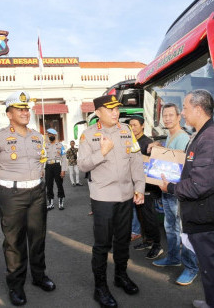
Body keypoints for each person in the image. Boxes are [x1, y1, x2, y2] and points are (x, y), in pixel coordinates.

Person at [0, 91, 56, 306]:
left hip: (37, 193)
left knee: (38, 237)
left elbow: (40, 161)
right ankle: (16, 285)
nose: (25, 112)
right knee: (14, 242)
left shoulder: (37, 136)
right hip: (12, 195)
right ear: (9, 113)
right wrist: (6, 181)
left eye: (27, 109)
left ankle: (39, 276)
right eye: (20, 109)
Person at [160, 90, 214, 308]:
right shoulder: (202, 134)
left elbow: (202, 183)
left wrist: (171, 187)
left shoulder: (209, 138)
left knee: (212, 268)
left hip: (206, 215)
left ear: (198, 109)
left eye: (184, 107)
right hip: (202, 213)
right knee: (209, 268)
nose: (182, 112)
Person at [78, 95, 145, 308]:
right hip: (103, 197)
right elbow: (82, 165)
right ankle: (100, 287)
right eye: (110, 109)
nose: (115, 113)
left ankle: (121, 276)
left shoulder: (126, 131)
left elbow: (136, 160)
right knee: (102, 244)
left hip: (126, 195)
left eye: (117, 109)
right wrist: (102, 152)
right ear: (98, 112)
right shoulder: (88, 135)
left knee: (123, 240)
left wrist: (139, 187)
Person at [149, 103, 199, 286]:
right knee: (170, 226)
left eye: (171, 115)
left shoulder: (184, 138)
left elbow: (183, 166)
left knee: (183, 230)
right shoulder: (170, 137)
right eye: (165, 115)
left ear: (179, 117)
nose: (167, 118)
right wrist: (158, 145)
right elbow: (168, 155)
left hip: (177, 192)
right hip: (167, 190)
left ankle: (191, 267)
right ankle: (173, 257)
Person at [128, 116, 163, 260]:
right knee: (141, 216)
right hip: (136, 187)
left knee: (150, 217)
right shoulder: (131, 141)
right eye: (130, 125)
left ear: (142, 126)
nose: (132, 128)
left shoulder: (148, 143)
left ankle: (157, 245)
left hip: (148, 188)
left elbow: (153, 166)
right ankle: (147, 240)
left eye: (135, 125)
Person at [45, 128, 68, 210]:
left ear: (55, 135)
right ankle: (50, 203)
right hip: (48, 166)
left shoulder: (60, 146)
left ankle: (61, 202)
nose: (50, 136)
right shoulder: (45, 146)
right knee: (49, 185)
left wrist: (63, 170)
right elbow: (42, 158)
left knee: (59, 184)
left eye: (52, 134)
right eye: (49, 134)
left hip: (57, 166)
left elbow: (64, 158)